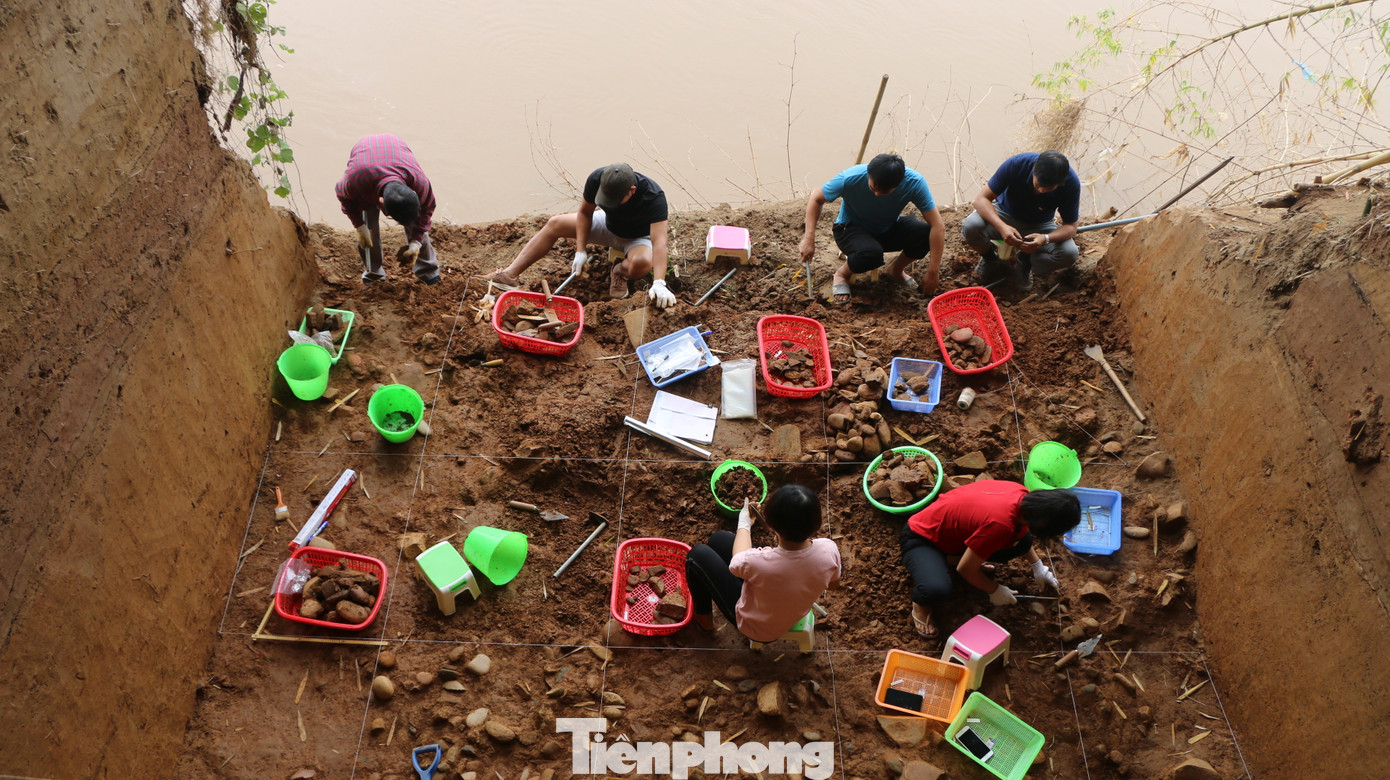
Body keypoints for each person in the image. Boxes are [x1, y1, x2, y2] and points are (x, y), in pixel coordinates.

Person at [899, 480, 1079, 638]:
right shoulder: (1000, 525)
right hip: (921, 537)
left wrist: (1038, 566)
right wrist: (994, 589)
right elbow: (965, 570)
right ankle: (920, 604)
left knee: (1022, 541)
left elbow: (1022, 536)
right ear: (1044, 523)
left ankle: (951, 559)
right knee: (936, 588)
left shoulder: (1021, 494)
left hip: (950, 532)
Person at [487, 163, 675, 307]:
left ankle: (619, 271)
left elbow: (659, 242)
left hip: (637, 238)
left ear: (631, 191)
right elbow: (585, 213)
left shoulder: (653, 197)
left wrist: (659, 282)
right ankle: (509, 276)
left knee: (641, 263)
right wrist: (580, 250)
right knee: (555, 223)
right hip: (607, 225)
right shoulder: (597, 178)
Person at [684, 485, 841, 642]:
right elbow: (833, 585)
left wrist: (744, 523)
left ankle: (705, 622)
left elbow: (737, 561)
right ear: (817, 526)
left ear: (771, 525)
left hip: (755, 627)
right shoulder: (828, 549)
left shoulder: (760, 562)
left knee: (697, 555)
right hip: (791, 611)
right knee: (719, 539)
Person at [799, 153, 946, 303]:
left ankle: (896, 270)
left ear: (899, 183)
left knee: (924, 234)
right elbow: (816, 198)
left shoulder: (914, 182)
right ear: (869, 174)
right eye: (873, 188)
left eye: (885, 192)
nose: (877, 195)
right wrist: (809, 238)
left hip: (887, 228)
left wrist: (933, 270)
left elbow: (937, 226)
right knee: (871, 254)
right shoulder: (850, 177)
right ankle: (842, 274)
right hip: (849, 229)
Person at [961, 150, 1081, 291]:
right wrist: (1002, 227)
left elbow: (1071, 226)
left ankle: (1025, 262)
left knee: (1069, 253)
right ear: (1034, 170)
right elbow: (980, 199)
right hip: (1004, 213)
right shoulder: (1017, 164)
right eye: (1038, 184)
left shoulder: (1072, 184)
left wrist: (1046, 238)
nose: (1042, 190)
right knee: (971, 226)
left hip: (1040, 225)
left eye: (1049, 188)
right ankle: (990, 259)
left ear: (1061, 183)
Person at [334, 134, 441, 286]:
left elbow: (427, 209)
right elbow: (343, 196)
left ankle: (428, 271)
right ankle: (374, 274)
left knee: (417, 224)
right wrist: (359, 226)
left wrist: (416, 241)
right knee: (368, 229)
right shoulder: (355, 182)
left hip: (395, 147)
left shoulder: (419, 182)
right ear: (381, 203)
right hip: (366, 165)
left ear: (413, 192)